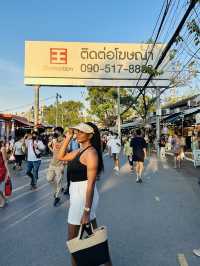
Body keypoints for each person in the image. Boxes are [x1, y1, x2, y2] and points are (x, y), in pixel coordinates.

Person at [57, 122, 112, 266]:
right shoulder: (80, 151)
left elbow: (91, 184)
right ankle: (106, 263)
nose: (77, 134)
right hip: (78, 196)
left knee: (72, 240)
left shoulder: (91, 153)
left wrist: (86, 211)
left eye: (81, 132)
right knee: (95, 236)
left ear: (90, 135)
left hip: (83, 197)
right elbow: (60, 156)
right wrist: (68, 137)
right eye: (77, 131)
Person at [47, 127, 65, 206]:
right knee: (49, 179)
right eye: (54, 132)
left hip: (60, 165)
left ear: (60, 132)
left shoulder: (65, 141)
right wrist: (49, 146)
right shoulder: (54, 140)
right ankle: (57, 189)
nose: (55, 133)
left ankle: (57, 197)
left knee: (58, 181)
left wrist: (64, 163)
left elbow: (66, 152)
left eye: (56, 132)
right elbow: (54, 151)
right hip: (52, 164)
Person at [0, 140, 10, 208]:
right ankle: (3, 198)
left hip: (1, 169)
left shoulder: (2, 148)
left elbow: (5, 161)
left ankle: (2, 201)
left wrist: (8, 172)